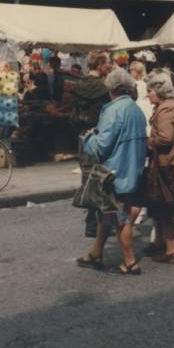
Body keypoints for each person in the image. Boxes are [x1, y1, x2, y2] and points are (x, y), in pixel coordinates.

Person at [76, 69, 148, 275]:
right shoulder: (135, 109)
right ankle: (96, 253)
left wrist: (88, 137)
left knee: (120, 218)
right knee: (106, 214)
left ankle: (130, 261)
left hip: (115, 173)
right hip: (131, 169)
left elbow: (101, 146)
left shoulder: (114, 111)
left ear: (111, 90)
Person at [143, 70, 174, 264]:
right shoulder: (173, 105)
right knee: (161, 205)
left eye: (150, 91)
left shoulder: (166, 109)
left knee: (165, 206)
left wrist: (147, 141)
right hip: (170, 162)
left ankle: (171, 251)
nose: (148, 94)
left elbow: (164, 138)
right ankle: (160, 243)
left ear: (159, 91)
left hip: (166, 164)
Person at [71, 52, 112, 238]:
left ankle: (90, 223)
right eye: (108, 63)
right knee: (102, 177)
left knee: (87, 176)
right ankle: (100, 223)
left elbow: (72, 113)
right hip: (99, 134)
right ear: (101, 64)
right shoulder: (105, 87)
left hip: (82, 135)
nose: (110, 66)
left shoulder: (78, 85)